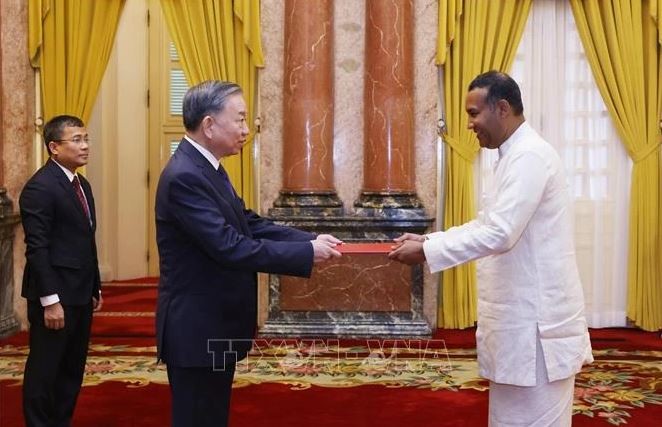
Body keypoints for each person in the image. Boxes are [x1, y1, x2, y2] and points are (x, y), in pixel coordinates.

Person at [389, 71, 593, 426]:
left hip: (537, 327)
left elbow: (500, 234)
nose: (469, 124)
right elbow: (487, 224)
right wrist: (429, 241)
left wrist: (427, 253)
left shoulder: (530, 156)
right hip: (521, 322)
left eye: (473, 113)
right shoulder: (512, 157)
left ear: (501, 108)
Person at [155, 80, 342, 427]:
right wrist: (304, 254)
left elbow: (248, 223)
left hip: (214, 323)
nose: (246, 130)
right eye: (240, 120)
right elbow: (229, 246)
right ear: (209, 125)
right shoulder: (185, 176)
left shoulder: (205, 167)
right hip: (196, 328)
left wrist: (310, 238)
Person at [20, 114, 102, 426]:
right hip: (54, 297)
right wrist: (50, 301)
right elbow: (38, 249)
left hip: (80, 293)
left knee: (71, 369)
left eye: (86, 138)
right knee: (45, 370)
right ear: (54, 147)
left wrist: (95, 286)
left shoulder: (82, 185)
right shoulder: (40, 188)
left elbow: (85, 241)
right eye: (77, 140)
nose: (85, 146)